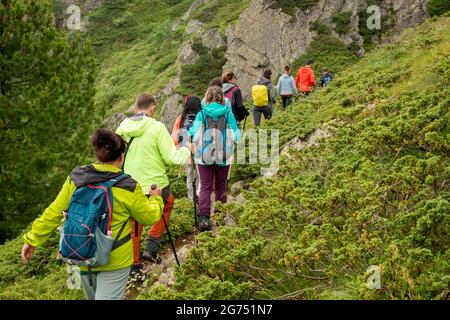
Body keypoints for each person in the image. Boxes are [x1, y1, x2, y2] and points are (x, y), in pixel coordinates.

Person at [21, 129, 164, 300]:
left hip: (82, 252)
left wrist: (32, 239)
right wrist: (156, 199)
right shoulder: (128, 186)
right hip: (115, 259)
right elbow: (148, 217)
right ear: (122, 157)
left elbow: (53, 212)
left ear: (97, 154)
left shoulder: (77, 179)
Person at [116, 94, 191, 270]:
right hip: (156, 185)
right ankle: (151, 246)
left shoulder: (122, 128)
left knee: (134, 223)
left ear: (135, 108)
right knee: (167, 203)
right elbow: (172, 158)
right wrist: (187, 150)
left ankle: (134, 264)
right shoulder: (157, 127)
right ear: (152, 108)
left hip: (129, 184)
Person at [191, 86, 241, 231]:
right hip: (224, 157)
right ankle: (220, 216)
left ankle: (205, 218)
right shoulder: (228, 114)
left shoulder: (201, 114)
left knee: (206, 187)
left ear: (206, 97)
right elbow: (236, 135)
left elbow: (196, 136)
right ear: (222, 98)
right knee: (220, 187)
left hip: (204, 157)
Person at [171, 95, 202, 202]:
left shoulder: (181, 118)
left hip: (186, 152)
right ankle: (200, 198)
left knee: (190, 177)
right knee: (200, 176)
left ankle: (191, 200)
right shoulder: (202, 116)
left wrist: (178, 148)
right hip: (200, 151)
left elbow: (175, 137)